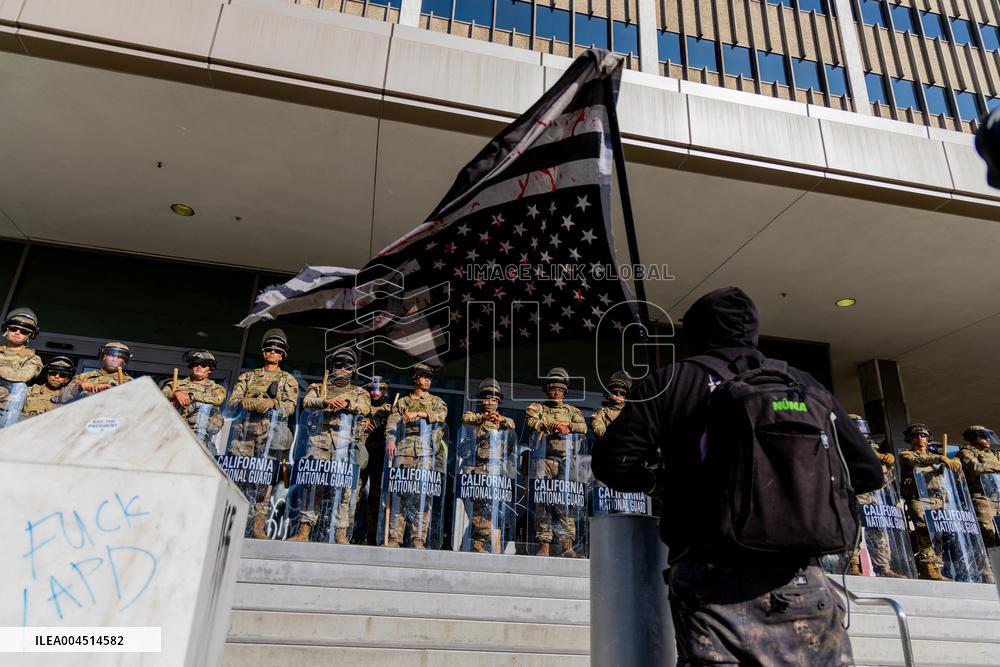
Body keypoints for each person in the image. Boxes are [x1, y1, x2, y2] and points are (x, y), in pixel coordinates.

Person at [592, 286, 882, 666]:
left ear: (696, 332)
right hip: (801, 579)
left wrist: (660, 482)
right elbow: (867, 472)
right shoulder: (802, 383)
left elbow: (613, 462)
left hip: (710, 583)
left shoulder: (670, 381)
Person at [288, 347, 370, 544]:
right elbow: (307, 401)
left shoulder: (359, 392)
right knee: (312, 487)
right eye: (339, 365)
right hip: (319, 441)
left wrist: (346, 403)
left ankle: (341, 534)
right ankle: (304, 531)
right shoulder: (319, 387)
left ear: (353, 369)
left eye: (347, 366)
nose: (342, 369)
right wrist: (325, 401)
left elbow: (365, 408)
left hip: (345, 444)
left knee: (343, 491)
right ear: (332, 367)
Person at [227, 328, 299, 539]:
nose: (272, 353)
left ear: (283, 355)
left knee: (263, 483)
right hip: (243, 435)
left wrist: (273, 403)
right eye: (269, 350)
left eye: (277, 351)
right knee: (239, 479)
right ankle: (234, 522)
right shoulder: (248, 377)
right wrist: (243, 402)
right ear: (263, 352)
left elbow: (290, 407)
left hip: (269, 437)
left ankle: (258, 526)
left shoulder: (288, 380)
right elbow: (231, 404)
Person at [384, 363, 448, 549]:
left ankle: (418, 537)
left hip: (426, 452)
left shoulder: (436, 401)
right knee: (399, 494)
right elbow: (392, 424)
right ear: (415, 378)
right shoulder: (402, 402)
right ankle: (395, 537)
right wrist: (390, 440)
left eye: (430, 376)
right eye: (423, 375)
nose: (427, 379)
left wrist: (419, 413)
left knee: (422, 497)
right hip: (404, 451)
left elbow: (441, 416)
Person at [526, 367, 588, 557]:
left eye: (560, 389)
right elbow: (531, 422)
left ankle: (566, 545)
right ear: (546, 389)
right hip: (543, 459)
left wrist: (567, 425)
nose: (556, 392)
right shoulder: (538, 407)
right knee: (543, 502)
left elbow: (583, 427)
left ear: (565, 391)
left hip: (565, 461)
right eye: (552, 388)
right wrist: (549, 424)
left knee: (565, 503)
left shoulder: (572, 411)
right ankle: (544, 543)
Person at [899, 423, 962, 580]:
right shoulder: (906, 454)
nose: (920, 438)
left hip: (937, 498)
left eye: (923, 435)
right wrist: (940, 458)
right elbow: (918, 460)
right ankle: (927, 566)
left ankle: (937, 567)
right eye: (916, 436)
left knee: (939, 533)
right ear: (910, 439)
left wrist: (953, 463)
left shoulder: (936, 458)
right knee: (924, 529)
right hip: (918, 498)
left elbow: (952, 471)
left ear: (928, 439)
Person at [460, 378, 516, 553]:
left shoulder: (504, 421)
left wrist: (500, 420)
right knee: (478, 509)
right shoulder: (474, 418)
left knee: (491, 509)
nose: (490, 402)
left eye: (493, 399)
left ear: (498, 401)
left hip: (495, 470)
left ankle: (482, 542)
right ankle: (479, 542)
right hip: (476, 469)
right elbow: (466, 419)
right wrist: (482, 417)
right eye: (486, 398)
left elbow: (511, 427)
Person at [847, 414, 905, 578]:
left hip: (873, 498)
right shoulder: (843, 444)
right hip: (853, 495)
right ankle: (853, 565)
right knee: (853, 532)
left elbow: (880, 479)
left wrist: (886, 469)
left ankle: (882, 568)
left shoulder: (872, 447)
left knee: (877, 532)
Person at [164, 350, 227, 448]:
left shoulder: (216, 388)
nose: (198, 367)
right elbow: (163, 394)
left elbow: (218, 399)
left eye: (203, 365)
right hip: (174, 435)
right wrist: (176, 393)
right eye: (195, 364)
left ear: (210, 369)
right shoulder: (177, 384)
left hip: (198, 439)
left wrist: (192, 396)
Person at [358, 375, 392, 545]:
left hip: (379, 458)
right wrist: (362, 424)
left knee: (375, 499)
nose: (375, 393)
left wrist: (381, 429)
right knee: (353, 496)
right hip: (361, 455)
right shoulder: (361, 405)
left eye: (378, 389)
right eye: (372, 389)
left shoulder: (389, 409)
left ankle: (372, 536)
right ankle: (351, 532)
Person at [959, 425, 1000, 549]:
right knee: (988, 534)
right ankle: (989, 566)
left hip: (996, 497)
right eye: (985, 437)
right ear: (974, 437)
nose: (988, 440)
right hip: (981, 499)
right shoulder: (965, 453)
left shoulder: (991, 454)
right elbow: (976, 468)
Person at [0, 308, 43, 419]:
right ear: (7, 330)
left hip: (5, 410)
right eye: (14, 329)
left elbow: (23, 376)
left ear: (30, 335)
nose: (18, 333)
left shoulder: (32, 358)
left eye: (24, 331)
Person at [67, 342, 133, 394]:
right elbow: (61, 398)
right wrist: (79, 388)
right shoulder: (84, 376)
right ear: (104, 357)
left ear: (124, 360)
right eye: (112, 355)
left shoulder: (130, 382)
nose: (114, 359)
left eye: (119, 357)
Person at [590, 371, 631, 437]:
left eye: (622, 393)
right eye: (614, 392)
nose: (618, 394)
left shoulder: (632, 412)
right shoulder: (601, 413)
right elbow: (599, 431)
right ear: (608, 395)